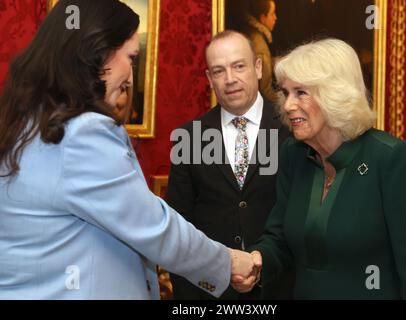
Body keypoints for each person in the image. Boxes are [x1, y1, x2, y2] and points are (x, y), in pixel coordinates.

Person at [0, 0, 258, 299]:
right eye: (132, 58)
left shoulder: (25, 121)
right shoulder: (83, 132)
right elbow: (153, 226)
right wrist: (227, 262)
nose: (130, 76)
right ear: (101, 54)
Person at [233, 38, 406, 299]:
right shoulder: (293, 154)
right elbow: (279, 238)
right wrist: (257, 262)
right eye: (285, 93)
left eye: (301, 92)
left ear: (335, 94)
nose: (288, 105)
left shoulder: (391, 159)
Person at [166, 30, 293, 300]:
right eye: (219, 71)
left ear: (258, 67)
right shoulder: (189, 138)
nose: (230, 79)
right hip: (209, 294)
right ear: (209, 79)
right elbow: (179, 228)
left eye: (239, 66)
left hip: (279, 289)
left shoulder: (293, 129)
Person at [241, 0, 278, 104]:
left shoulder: (247, 32)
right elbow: (265, 92)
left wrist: (272, 62)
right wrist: (285, 100)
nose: (275, 18)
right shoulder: (259, 45)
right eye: (272, 14)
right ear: (262, 18)